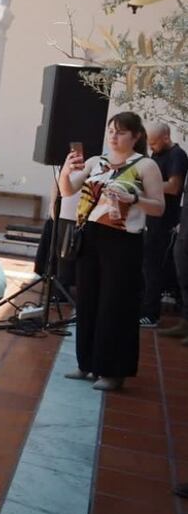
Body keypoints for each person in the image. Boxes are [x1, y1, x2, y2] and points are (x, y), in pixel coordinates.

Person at [59, 111, 164, 391]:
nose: (114, 137)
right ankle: (86, 363)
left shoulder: (145, 166)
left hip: (123, 240)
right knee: (89, 301)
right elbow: (68, 191)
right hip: (91, 235)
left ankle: (112, 370)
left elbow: (159, 207)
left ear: (136, 136)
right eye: (111, 131)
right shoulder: (96, 162)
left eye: (121, 132)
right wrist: (66, 171)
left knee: (115, 305)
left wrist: (134, 198)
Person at [141, 123, 187, 327]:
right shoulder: (156, 155)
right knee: (146, 266)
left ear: (166, 138)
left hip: (165, 220)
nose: (151, 148)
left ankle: (151, 314)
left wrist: (146, 186)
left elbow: (174, 186)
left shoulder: (177, 155)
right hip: (150, 218)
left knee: (155, 268)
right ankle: (144, 308)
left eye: (154, 143)